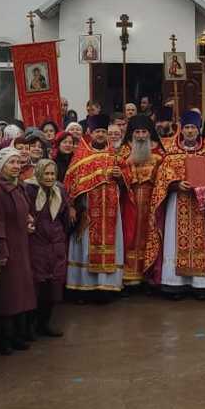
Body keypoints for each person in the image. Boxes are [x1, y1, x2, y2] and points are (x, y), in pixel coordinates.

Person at [144, 111, 205, 299]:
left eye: (193, 127)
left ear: (198, 129)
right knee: (174, 242)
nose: (190, 131)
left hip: (201, 206)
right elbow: (161, 179)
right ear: (181, 130)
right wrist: (176, 185)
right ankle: (174, 284)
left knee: (202, 242)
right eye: (187, 128)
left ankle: (200, 284)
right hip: (177, 203)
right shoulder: (170, 153)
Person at [0, 147, 37, 354]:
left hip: (21, 244)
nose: (16, 166)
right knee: (6, 296)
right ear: (0, 166)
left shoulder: (19, 186)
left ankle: (16, 335)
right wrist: (2, 249)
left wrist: (29, 220)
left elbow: (25, 212)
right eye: (11, 163)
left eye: (17, 162)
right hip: (8, 246)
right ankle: (2, 339)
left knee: (20, 293)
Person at [64, 115, 125, 296]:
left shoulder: (115, 154)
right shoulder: (81, 154)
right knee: (84, 246)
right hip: (88, 208)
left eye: (103, 132)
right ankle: (84, 288)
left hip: (111, 209)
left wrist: (120, 176)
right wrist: (72, 205)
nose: (100, 134)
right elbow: (71, 182)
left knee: (111, 246)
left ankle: (107, 287)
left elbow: (127, 178)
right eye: (97, 131)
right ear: (90, 133)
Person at [26, 159, 70, 336]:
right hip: (37, 243)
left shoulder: (60, 191)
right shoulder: (29, 190)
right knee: (37, 288)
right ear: (38, 173)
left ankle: (45, 324)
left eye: (53, 174)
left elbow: (65, 218)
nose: (50, 177)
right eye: (47, 173)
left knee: (53, 288)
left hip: (56, 244)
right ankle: (31, 327)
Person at [119, 115, 162, 289]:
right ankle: (129, 278)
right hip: (129, 201)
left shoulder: (159, 153)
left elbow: (164, 177)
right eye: (137, 132)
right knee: (130, 236)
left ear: (150, 133)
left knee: (149, 235)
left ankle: (148, 276)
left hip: (152, 200)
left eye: (144, 132)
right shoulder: (123, 152)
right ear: (132, 133)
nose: (141, 135)